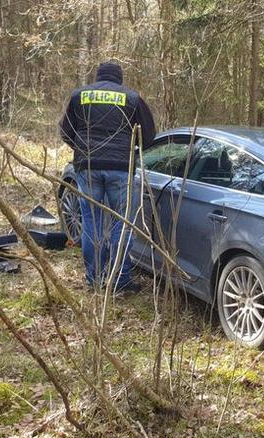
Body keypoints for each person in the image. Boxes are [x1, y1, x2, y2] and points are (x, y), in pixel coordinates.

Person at [59, 62, 156, 293]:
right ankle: (120, 282)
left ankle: (94, 280)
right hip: (121, 168)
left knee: (92, 224)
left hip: (87, 166)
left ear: (98, 77)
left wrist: (82, 148)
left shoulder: (79, 96)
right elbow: (149, 135)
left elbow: (65, 131)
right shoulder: (132, 98)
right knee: (121, 226)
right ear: (119, 79)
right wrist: (129, 149)